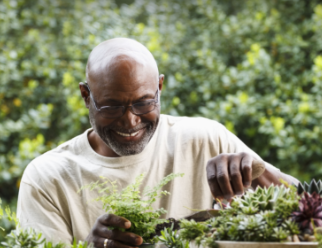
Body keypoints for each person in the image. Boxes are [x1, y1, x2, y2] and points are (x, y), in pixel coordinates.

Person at [17, 38, 299, 247]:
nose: (129, 121)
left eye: (143, 103)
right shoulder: (47, 177)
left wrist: (257, 173)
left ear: (160, 87)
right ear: (86, 95)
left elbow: (309, 211)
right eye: (111, 106)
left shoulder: (206, 139)